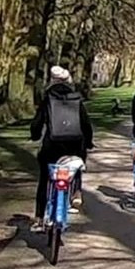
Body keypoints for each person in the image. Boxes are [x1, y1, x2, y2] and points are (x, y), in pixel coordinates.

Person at [30, 66, 94, 232]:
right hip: (74, 147)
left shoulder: (48, 99)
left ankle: (38, 218)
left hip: (52, 147)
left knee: (45, 179)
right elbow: (86, 124)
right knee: (78, 161)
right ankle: (76, 192)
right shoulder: (76, 98)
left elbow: (37, 122)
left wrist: (35, 135)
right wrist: (89, 142)